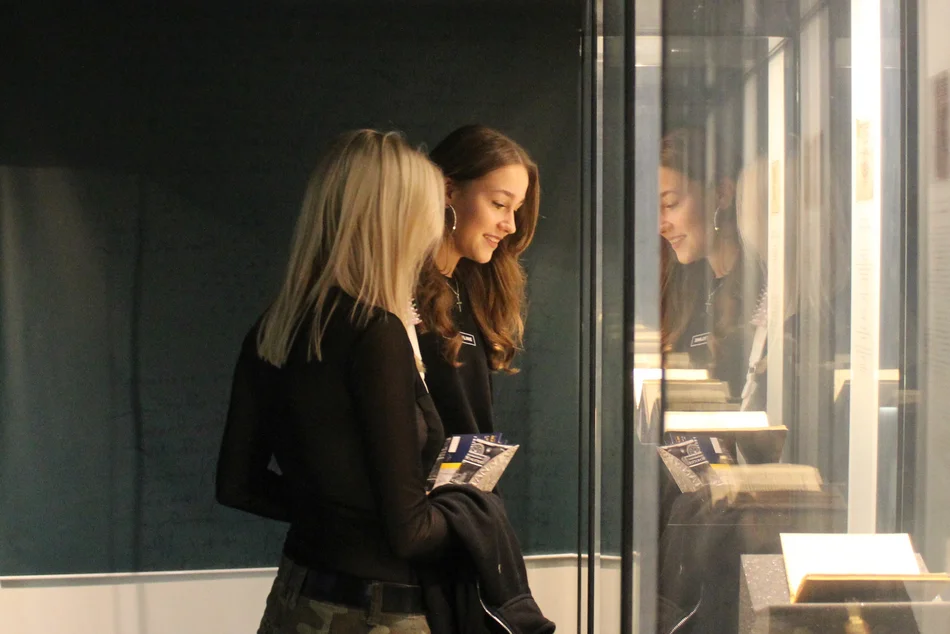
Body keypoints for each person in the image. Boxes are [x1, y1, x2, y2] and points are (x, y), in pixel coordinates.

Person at [215, 129, 552, 634]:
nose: (436, 221)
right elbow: (411, 531)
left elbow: (237, 486)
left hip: (296, 597)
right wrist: (477, 516)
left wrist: (339, 518)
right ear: (394, 216)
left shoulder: (276, 324)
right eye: (428, 206)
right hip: (379, 610)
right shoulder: (377, 332)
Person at [415, 124, 541, 437]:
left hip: (469, 486)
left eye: (516, 209)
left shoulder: (475, 292)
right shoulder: (398, 291)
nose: (510, 225)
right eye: (499, 204)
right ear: (448, 191)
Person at [658, 127, 766, 404]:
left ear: (722, 195)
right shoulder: (683, 290)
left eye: (670, 204)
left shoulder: (762, 294)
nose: (661, 225)